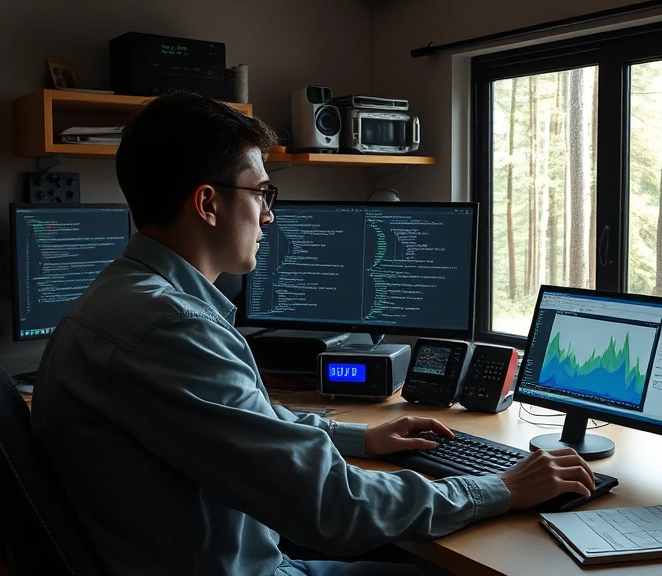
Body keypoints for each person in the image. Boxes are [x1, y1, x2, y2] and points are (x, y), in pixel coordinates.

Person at [30, 92, 595, 576]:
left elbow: (247, 423)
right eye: (261, 194)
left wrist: (361, 439)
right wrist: (502, 489)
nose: (269, 216)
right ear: (207, 203)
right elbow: (333, 507)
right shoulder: (174, 331)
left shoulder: (119, 298)